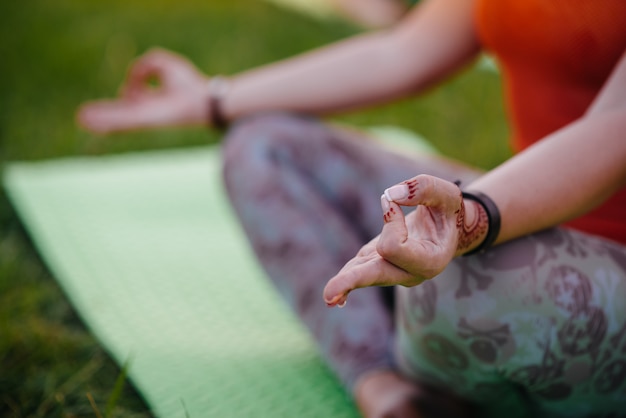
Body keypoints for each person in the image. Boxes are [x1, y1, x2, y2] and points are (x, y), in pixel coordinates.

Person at [77, 0, 626, 416]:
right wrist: (210, 100)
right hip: (529, 210)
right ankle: (385, 387)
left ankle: (432, 339)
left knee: (463, 283)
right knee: (262, 148)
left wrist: (468, 219)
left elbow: (612, 132)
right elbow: (402, 52)